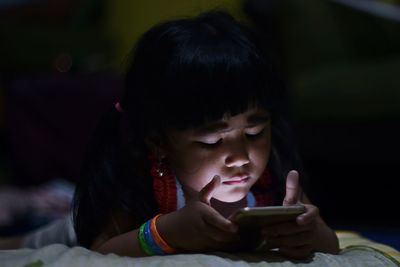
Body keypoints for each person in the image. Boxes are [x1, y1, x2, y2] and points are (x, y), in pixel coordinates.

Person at [2, 10, 339, 259]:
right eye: (212, 141)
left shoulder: (274, 176)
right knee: (25, 246)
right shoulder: (141, 179)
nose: (241, 156)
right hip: (79, 226)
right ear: (159, 143)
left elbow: (328, 241)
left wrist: (312, 233)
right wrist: (165, 232)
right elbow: (101, 251)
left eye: (253, 132)